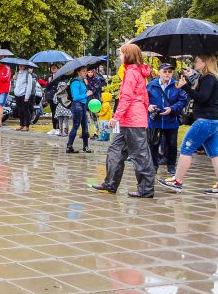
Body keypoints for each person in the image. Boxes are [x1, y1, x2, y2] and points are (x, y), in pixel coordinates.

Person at [93, 43, 155, 197]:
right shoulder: (134, 72)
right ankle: (110, 183)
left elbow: (127, 97)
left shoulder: (132, 73)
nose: (119, 56)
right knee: (115, 150)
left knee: (140, 155)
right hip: (130, 119)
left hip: (133, 120)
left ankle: (146, 189)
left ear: (128, 55)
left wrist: (115, 117)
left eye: (121, 53)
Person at [159, 55, 218, 194]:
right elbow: (202, 93)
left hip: (205, 120)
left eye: (197, 61)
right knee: (215, 153)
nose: (194, 63)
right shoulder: (209, 78)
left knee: (185, 149)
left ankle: (177, 180)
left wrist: (186, 87)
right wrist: (190, 80)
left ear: (205, 62)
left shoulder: (209, 78)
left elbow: (202, 98)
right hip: (213, 120)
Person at [147, 63, 189, 176]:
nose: (167, 74)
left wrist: (172, 108)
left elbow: (183, 101)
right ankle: (153, 165)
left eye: (169, 72)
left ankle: (171, 166)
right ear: (159, 72)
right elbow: (144, 99)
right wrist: (149, 106)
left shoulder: (177, 85)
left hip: (171, 120)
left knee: (172, 144)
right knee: (153, 144)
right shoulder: (151, 85)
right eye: (165, 71)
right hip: (155, 120)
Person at [66, 66, 92, 153]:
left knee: (85, 127)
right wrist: (86, 94)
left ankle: (86, 146)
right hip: (77, 106)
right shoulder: (75, 82)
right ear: (78, 72)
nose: (86, 73)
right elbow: (76, 97)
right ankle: (69, 146)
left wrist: (86, 85)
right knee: (76, 126)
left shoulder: (82, 81)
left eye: (86, 71)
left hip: (83, 105)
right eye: (83, 71)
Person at [13, 64, 37, 132]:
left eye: (22, 65)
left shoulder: (28, 74)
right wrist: (14, 79)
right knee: (20, 110)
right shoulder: (17, 73)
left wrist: (27, 96)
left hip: (24, 94)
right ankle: (21, 125)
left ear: (25, 66)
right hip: (17, 94)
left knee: (25, 110)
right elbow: (16, 84)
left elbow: (29, 86)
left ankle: (27, 125)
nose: (20, 66)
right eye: (19, 65)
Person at [44, 63, 62, 134]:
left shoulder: (60, 76)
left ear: (58, 69)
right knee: (53, 112)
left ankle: (59, 128)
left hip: (58, 96)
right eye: (52, 68)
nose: (53, 69)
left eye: (55, 68)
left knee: (58, 113)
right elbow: (48, 88)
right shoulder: (49, 77)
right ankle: (54, 128)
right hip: (51, 97)